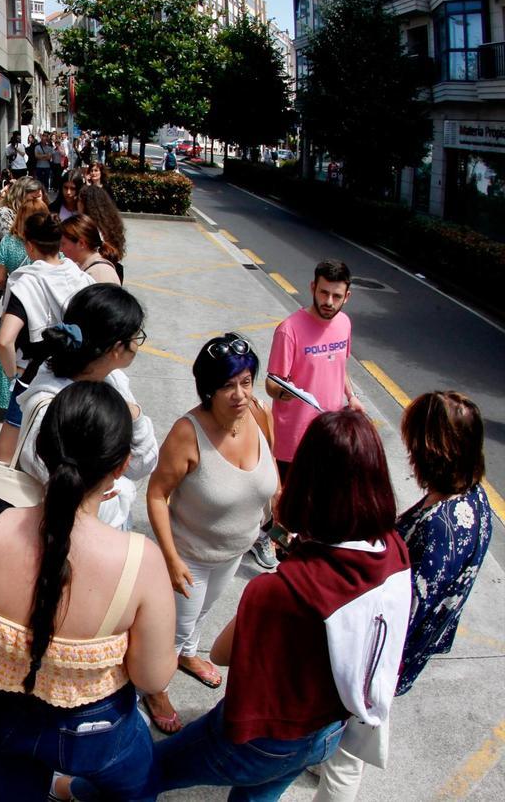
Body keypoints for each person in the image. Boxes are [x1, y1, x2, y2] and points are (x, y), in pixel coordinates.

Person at [155, 411, 411, 799]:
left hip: (262, 740)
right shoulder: (393, 550)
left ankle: (75, 788)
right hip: (327, 732)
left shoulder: (281, 590)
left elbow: (222, 654)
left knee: (152, 769)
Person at [0, 381, 177, 801]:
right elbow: (152, 677)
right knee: (141, 785)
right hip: (95, 730)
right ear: (122, 465)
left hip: (0, 713)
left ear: (41, 449)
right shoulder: (140, 560)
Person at [314, 391, 494, 801]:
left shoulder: (442, 527)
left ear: (433, 451)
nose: (408, 452)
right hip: (398, 654)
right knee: (346, 739)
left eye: (414, 442)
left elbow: (402, 609)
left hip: (381, 655)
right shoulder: (471, 496)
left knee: (347, 758)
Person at [144, 333, 278, 734]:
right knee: (173, 629)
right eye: (227, 386)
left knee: (202, 614)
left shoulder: (259, 413)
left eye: (246, 382)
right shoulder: (188, 433)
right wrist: (171, 559)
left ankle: (187, 655)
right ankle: (155, 687)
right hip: (191, 556)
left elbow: (267, 473)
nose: (240, 395)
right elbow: (156, 494)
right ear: (208, 389)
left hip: (234, 551)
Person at [14, 285, 158, 526]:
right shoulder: (52, 405)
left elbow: (142, 465)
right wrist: (118, 488)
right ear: (116, 349)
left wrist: (135, 415)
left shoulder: (113, 380)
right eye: (136, 336)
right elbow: (54, 482)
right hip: (74, 529)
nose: (137, 344)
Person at [258, 258, 362, 568]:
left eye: (336, 296)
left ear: (347, 296)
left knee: (314, 498)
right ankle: (267, 541)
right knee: (282, 501)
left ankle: (299, 550)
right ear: (313, 287)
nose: (328, 301)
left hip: (328, 433)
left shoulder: (344, 324)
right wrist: (288, 391)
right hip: (293, 437)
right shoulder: (289, 330)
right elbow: (271, 384)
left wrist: (352, 397)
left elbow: (340, 365)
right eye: (323, 293)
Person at [0, 211, 93, 462]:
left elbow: (4, 340)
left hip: (32, 377)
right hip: (73, 379)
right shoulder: (82, 279)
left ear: (29, 245)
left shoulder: (25, 283)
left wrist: (11, 374)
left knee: (5, 457)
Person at [0, 197, 50, 410]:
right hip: (42, 306)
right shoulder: (49, 245)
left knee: (8, 344)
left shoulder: (8, 242)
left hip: (14, 304)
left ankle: (7, 400)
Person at [79, 185, 127, 283]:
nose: (77, 204)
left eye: (79, 201)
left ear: (85, 204)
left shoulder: (89, 227)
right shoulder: (111, 222)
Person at [60, 214, 120, 285]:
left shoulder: (100, 273)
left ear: (81, 243)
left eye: (63, 244)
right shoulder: (84, 267)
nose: (60, 249)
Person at [0, 175, 44, 244]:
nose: (38, 201)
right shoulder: (4, 213)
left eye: (39, 196)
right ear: (21, 196)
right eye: (34, 197)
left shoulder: (39, 213)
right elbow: (10, 243)